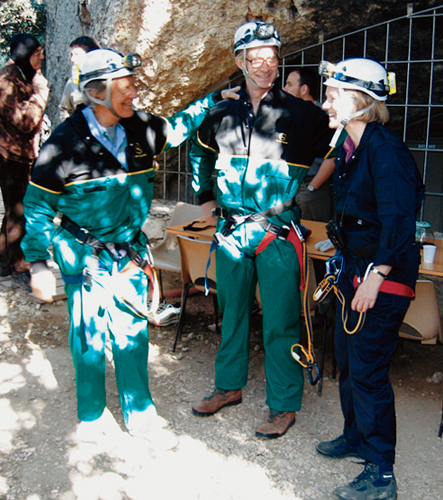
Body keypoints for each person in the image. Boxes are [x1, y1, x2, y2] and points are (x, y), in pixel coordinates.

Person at [22, 48, 239, 447]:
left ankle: (139, 413)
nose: (133, 94)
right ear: (96, 91)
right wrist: (37, 262)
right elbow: (36, 205)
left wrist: (211, 102)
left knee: (132, 333)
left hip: (129, 251)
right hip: (84, 254)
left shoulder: (139, 128)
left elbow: (175, 129)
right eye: (125, 87)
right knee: (88, 337)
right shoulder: (64, 143)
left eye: (132, 85)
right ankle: (90, 414)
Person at [188, 21, 338, 439]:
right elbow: (200, 155)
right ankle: (229, 386)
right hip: (233, 231)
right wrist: (204, 199)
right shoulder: (221, 112)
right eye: (255, 60)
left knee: (281, 321)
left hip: (277, 232)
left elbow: (341, 146)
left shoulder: (303, 114)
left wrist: (316, 188)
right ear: (239, 61)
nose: (265, 67)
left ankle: (284, 405)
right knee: (230, 313)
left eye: (272, 60)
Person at [315, 58, 423, 500]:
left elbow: (399, 221)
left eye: (333, 96)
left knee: (369, 372)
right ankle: (356, 436)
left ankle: (381, 474)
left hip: (380, 276)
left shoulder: (385, 151)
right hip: (353, 270)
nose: (325, 104)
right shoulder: (348, 147)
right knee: (347, 360)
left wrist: (376, 277)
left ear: (358, 101)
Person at [0, 34, 49, 283]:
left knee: (13, 209)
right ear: (27, 54)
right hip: (10, 157)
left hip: (16, 155)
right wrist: (40, 92)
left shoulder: (17, 75)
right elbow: (25, 122)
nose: (42, 57)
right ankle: (18, 266)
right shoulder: (7, 81)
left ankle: (4, 262)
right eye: (38, 52)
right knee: (19, 210)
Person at [284, 67, 336, 222]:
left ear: (304, 89)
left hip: (310, 187)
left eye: (289, 84)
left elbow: (333, 155)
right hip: (288, 187)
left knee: (313, 235)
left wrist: (313, 187)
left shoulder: (325, 117)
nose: (284, 89)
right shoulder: (289, 115)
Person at [59, 36, 100, 120]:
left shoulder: (107, 79)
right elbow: (65, 109)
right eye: (71, 55)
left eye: (76, 55)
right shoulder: (72, 83)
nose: (72, 59)